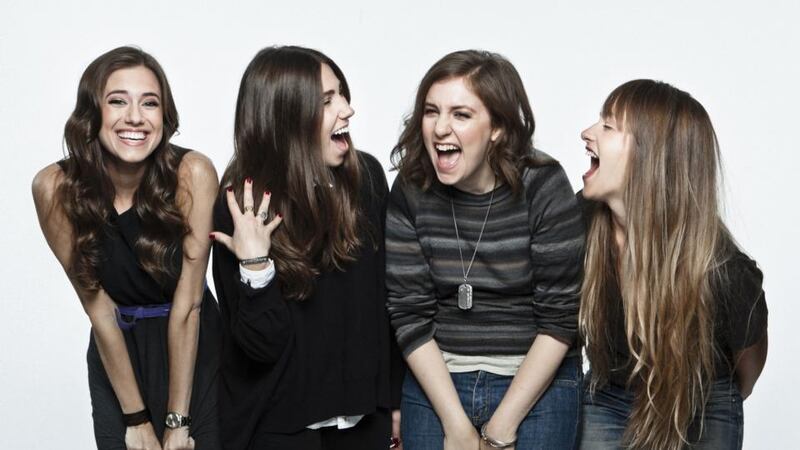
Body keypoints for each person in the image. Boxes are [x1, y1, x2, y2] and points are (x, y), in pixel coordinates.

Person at [385, 50, 585, 450]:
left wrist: (501, 428)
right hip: (439, 380)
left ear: (496, 127)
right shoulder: (411, 188)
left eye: (461, 114)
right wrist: (455, 423)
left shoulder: (544, 184)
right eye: (431, 111)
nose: (441, 128)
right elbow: (409, 313)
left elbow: (560, 318)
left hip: (535, 383)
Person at [209, 45, 402, 450]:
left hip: (364, 421)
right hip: (279, 429)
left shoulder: (365, 176)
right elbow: (261, 347)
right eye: (327, 100)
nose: (347, 109)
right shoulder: (243, 204)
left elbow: (385, 302)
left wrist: (394, 400)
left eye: (342, 94)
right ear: (286, 117)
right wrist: (256, 263)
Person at [32, 46, 221, 450]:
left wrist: (176, 421)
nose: (135, 117)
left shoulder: (193, 174)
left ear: (163, 116)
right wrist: (135, 419)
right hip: (116, 354)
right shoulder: (54, 189)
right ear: (91, 112)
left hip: (194, 350)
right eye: (117, 101)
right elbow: (98, 308)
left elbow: (189, 305)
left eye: (149, 103)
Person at [577, 79, 768, 450]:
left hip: (700, 400)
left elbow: (747, 367)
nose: (586, 133)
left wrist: (703, 400)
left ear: (650, 155)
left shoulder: (724, 272)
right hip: (610, 392)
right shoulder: (579, 222)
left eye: (608, 126)